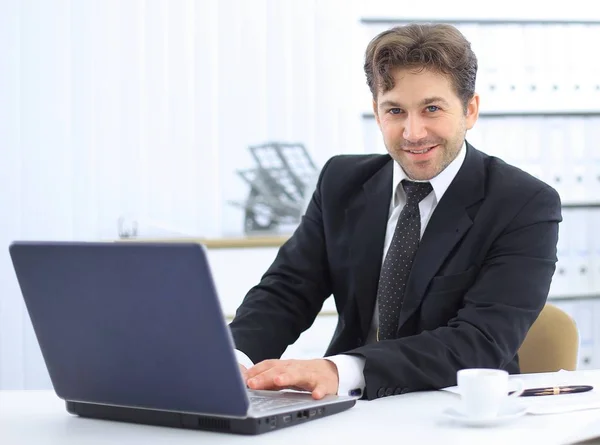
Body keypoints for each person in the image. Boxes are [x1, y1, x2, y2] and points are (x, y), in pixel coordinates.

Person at [228, 23, 562, 401]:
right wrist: (233, 360)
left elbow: (481, 341)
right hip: (350, 410)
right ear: (376, 112)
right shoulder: (341, 182)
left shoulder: (523, 203)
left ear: (469, 110)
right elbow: (287, 291)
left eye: (432, 109)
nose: (413, 132)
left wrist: (343, 369)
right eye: (395, 111)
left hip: (455, 408)